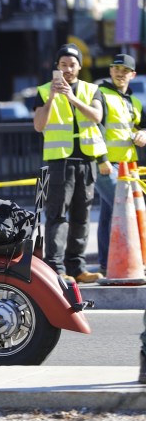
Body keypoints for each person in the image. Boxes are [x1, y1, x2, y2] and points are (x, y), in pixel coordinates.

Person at [33, 43, 106, 284]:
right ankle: (56, 267)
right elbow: (39, 125)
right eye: (63, 65)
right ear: (56, 67)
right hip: (59, 162)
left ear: (79, 66)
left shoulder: (91, 89)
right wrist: (53, 98)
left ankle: (78, 267)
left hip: (86, 161)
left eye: (72, 64)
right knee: (57, 215)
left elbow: (96, 116)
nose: (67, 69)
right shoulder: (44, 91)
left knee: (82, 215)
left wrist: (72, 98)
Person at [94, 54, 146, 276]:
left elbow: (141, 128)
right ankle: (130, 264)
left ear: (132, 75)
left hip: (128, 168)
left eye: (125, 70)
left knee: (109, 214)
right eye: (116, 68)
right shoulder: (101, 94)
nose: (119, 73)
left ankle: (108, 265)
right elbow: (93, 129)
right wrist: (101, 160)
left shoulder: (134, 102)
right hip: (107, 165)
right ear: (110, 71)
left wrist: (143, 134)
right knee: (126, 211)